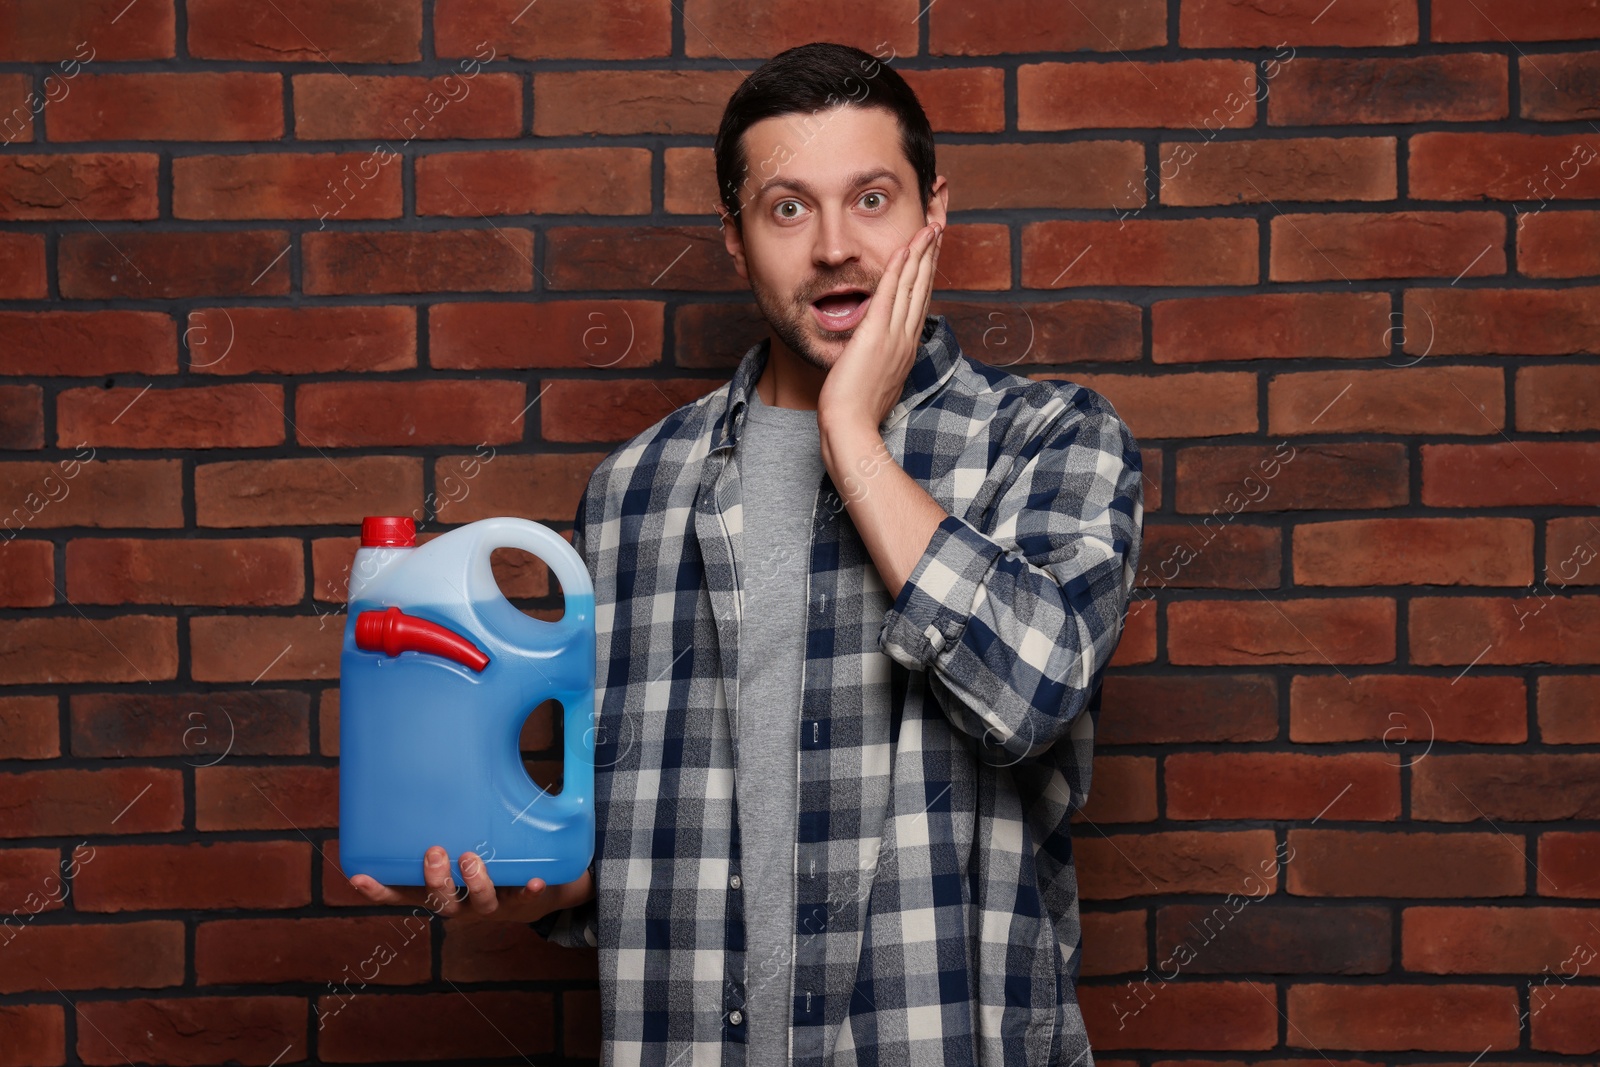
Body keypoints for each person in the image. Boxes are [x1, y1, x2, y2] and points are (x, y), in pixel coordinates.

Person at [351, 40, 1143, 1067]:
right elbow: (631, 829)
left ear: (931, 213)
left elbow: (1032, 693)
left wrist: (851, 435)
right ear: (733, 237)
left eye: (871, 199)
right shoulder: (635, 488)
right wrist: (514, 884)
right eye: (786, 208)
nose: (833, 248)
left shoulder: (1049, 440)